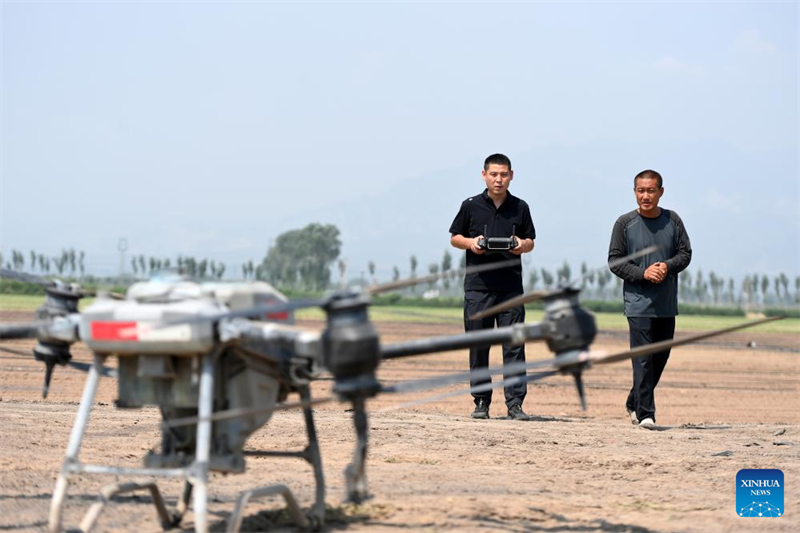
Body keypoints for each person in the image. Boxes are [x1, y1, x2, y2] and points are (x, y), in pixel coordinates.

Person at [449, 153, 536, 420]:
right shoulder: (471, 205)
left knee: (514, 347)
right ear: (484, 175)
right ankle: (481, 401)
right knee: (479, 346)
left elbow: (531, 240)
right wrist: (472, 243)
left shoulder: (520, 207)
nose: (498, 179)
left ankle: (515, 404)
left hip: (510, 287)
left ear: (512, 175)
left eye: (504, 174)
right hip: (478, 287)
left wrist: (521, 245)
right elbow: (455, 237)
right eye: (494, 174)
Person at [608, 169, 692, 430]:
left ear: (661, 192)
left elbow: (685, 253)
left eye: (651, 190)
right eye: (640, 191)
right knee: (643, 359)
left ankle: (634, 401)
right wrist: (643, 273)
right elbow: (615, 261)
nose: (645, 196)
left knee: (660, 358)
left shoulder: (673, 220)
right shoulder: (624, 223)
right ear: (634, 192)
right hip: (638, 303)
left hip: (666, 304)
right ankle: (646, 414)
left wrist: (667, 267)